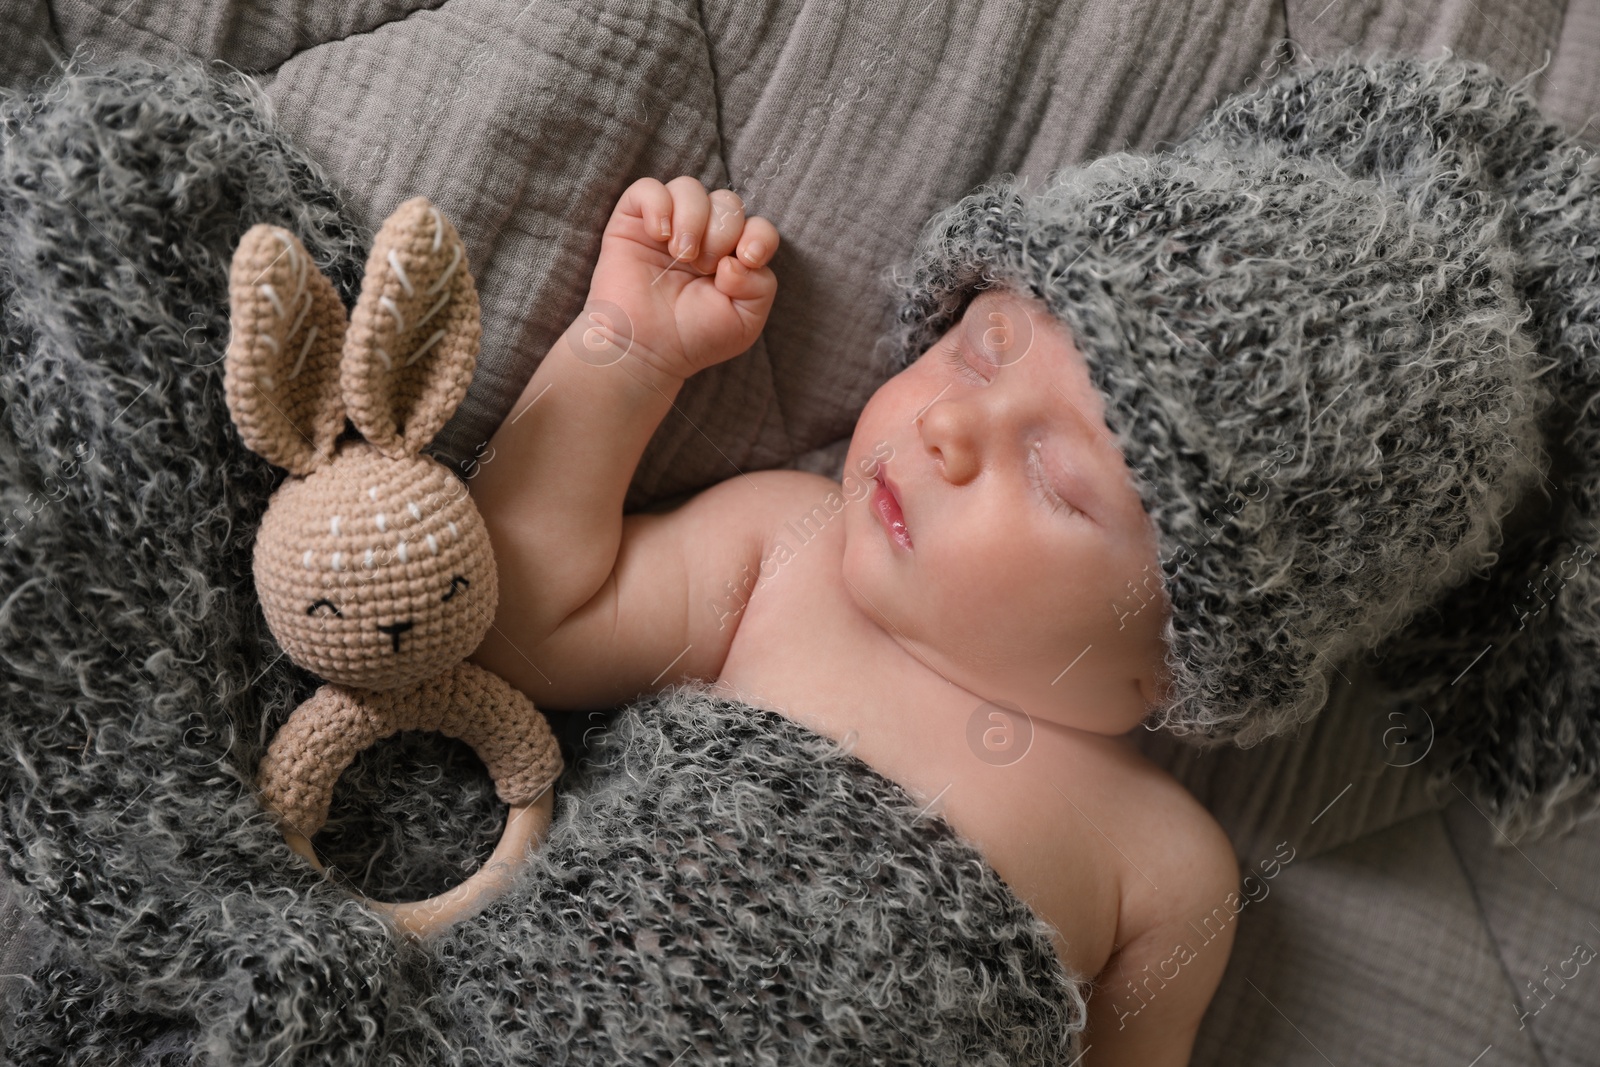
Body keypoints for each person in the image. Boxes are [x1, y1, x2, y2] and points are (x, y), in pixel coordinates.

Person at [467, 174, 1239, 1066]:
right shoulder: (790, 549)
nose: (949, 423)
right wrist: (626, 353)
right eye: (975, 357)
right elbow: (515, 626)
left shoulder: (1167, 865)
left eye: (1054, 480)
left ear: (1179, 658)